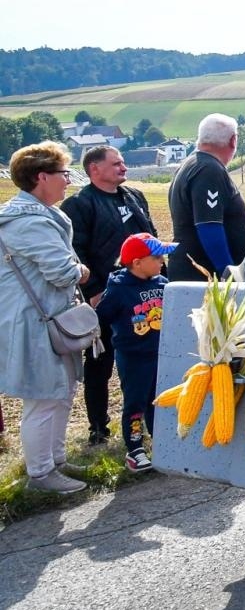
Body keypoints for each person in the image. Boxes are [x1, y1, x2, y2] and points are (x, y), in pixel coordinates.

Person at [0, 142, 93, 494]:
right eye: (63, 174)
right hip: (34, 322)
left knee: (61, 391)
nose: (67, 181)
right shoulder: (29, 223)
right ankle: (40, 476)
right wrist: (81, 270)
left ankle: (55, 460)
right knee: (43, 397)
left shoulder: (35, 216)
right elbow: (60, 271)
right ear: (42, 177)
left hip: (50, 319)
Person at [60, 145, 157, 445]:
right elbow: (76, 252)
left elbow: (150, 238)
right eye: (116, 164)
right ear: (94, 170)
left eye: (123, 162)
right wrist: (94, 292)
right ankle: (99, 428)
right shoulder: (80, 205)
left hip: (144, 296)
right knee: (100, 363)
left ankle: (148, 425)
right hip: (105, 296)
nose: (123, 168)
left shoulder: (135, 197)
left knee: (146, 361)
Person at [95, 233, 173, 472]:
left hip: (159, 355)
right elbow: (101, 317)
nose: (162, 261)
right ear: (137, 262)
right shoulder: (118, 289)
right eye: (157, 257)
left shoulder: (162, 284)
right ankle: (135, 449)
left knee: (158, 401)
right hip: (133, 357)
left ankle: (161, 443)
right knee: (136, 403)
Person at [167, 113, 245, 281]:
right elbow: (209, 226)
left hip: (191, 268)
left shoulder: (191, 164)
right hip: (203, 274)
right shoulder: (208, 169)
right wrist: (229, 274)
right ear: (233, 140)